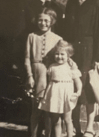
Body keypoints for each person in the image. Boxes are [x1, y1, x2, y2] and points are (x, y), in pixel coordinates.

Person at [63, 0, 99, 136]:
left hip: (88, 50)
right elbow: (66, 30)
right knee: (72, 87)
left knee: (88, 89)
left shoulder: (95, 4)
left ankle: (89, 128)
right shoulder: (71, 3)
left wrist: (98, 58)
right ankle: (74, 128)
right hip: (72, 52)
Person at [15, 0, 64, 74]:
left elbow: (62, 34)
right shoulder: (26, 5)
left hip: (55, 61)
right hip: (34, 61)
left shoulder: (59, 8)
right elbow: (20, 34)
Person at [25, 7, 62, 137]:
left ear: (52, 21)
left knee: (48, 111)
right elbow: (27, 58)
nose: (43, 23)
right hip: (36, 76)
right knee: (35, 110)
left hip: (50, 77)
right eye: (40, 20)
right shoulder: (31, 36)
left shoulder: (58, 39)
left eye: (46, 20)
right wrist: (29, 76)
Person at [39, 40, 82, 137]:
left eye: (62, 54)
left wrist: (78, 91)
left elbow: (78, 81)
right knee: (56, 121)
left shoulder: (71, 68)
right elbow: (48, 80)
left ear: (68, 56)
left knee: (67, 119)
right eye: (57, 54)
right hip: (54, 95)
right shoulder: (52, 67)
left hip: (66, 95)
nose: (59, 57)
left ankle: (69, 135)